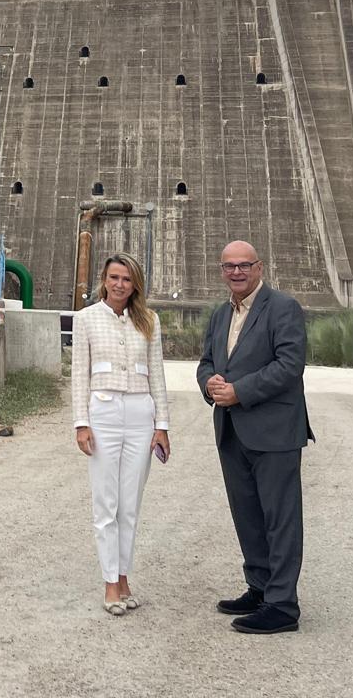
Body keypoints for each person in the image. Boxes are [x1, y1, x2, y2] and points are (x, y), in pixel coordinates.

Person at [196, 240, 315, 634]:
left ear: (259, 267)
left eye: (244, 265)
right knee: (247, 515)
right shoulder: (220, 314)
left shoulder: (283, 308)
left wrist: (239, 391)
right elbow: (207, 362)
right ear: (222, 270)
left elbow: (289, 365)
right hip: (232, 429)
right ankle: (260, 587)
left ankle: (282, 605)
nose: (236, 272)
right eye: (229, 266)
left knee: (280, 518)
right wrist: (210, 384)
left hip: (275, 431)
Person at [71, 252, 171, 616]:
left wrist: (162, 426)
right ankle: (110, 583)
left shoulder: (149, 321)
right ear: (104, 279)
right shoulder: (86, 320)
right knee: (106, 504)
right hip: (104, 412)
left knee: (130, 505)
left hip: (141, 412)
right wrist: (81, 423)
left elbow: (157, 375)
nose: (119, 284)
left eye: (126, 279)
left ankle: (124, 577)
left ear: (135, 284)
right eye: (114, 277)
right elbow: (79, 374)